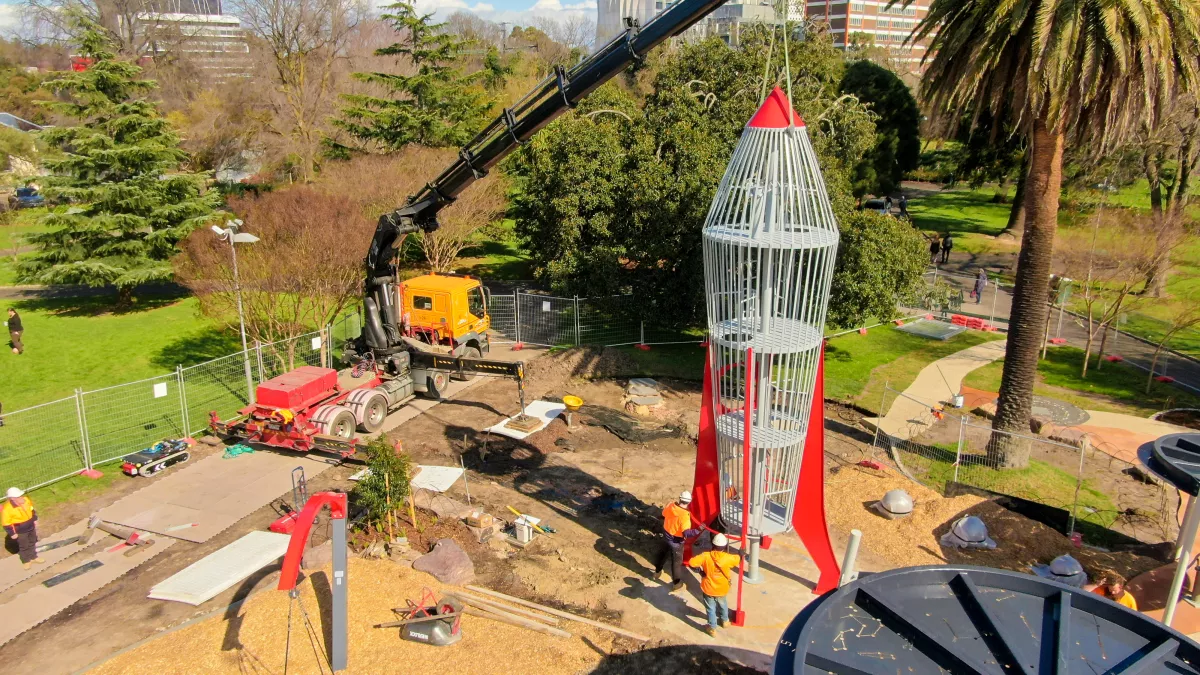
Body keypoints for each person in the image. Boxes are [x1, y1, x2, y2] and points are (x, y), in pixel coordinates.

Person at [687, 533, 741, 637]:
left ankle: (712, 628)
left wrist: (700, 571)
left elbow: (691, 563)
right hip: (722, 588)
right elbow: (739, 559)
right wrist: (741, 553)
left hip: (709, 588)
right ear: (725, 546)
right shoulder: (728, 558)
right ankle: (725, 621)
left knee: (710, 608)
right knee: (723, 603)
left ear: (713, 544)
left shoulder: (705, 556)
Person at [653, 491, 697, 592]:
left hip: (666, 535)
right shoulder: (685, 516)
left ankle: (657, 572)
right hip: (676, 542)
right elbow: (687, 533)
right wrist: (699, 530)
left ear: (680, 498)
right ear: (689, 502)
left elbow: (663, 514)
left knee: (662, 555)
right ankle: (676, 583)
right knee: (676, 563)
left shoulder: (670, 505)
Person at [2, 487, 43, 569]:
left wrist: (34, 519)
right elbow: (6, 523)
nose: (21, 497)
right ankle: (26, 560)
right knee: (24, 546)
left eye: (21, 495)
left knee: (32, 541)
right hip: (20, 531)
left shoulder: (26, 500)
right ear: (12, 499)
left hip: (31, 526)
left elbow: (31, 510)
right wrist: (12, 533)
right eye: (18, 497)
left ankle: (33, 557)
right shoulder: (7, 509)